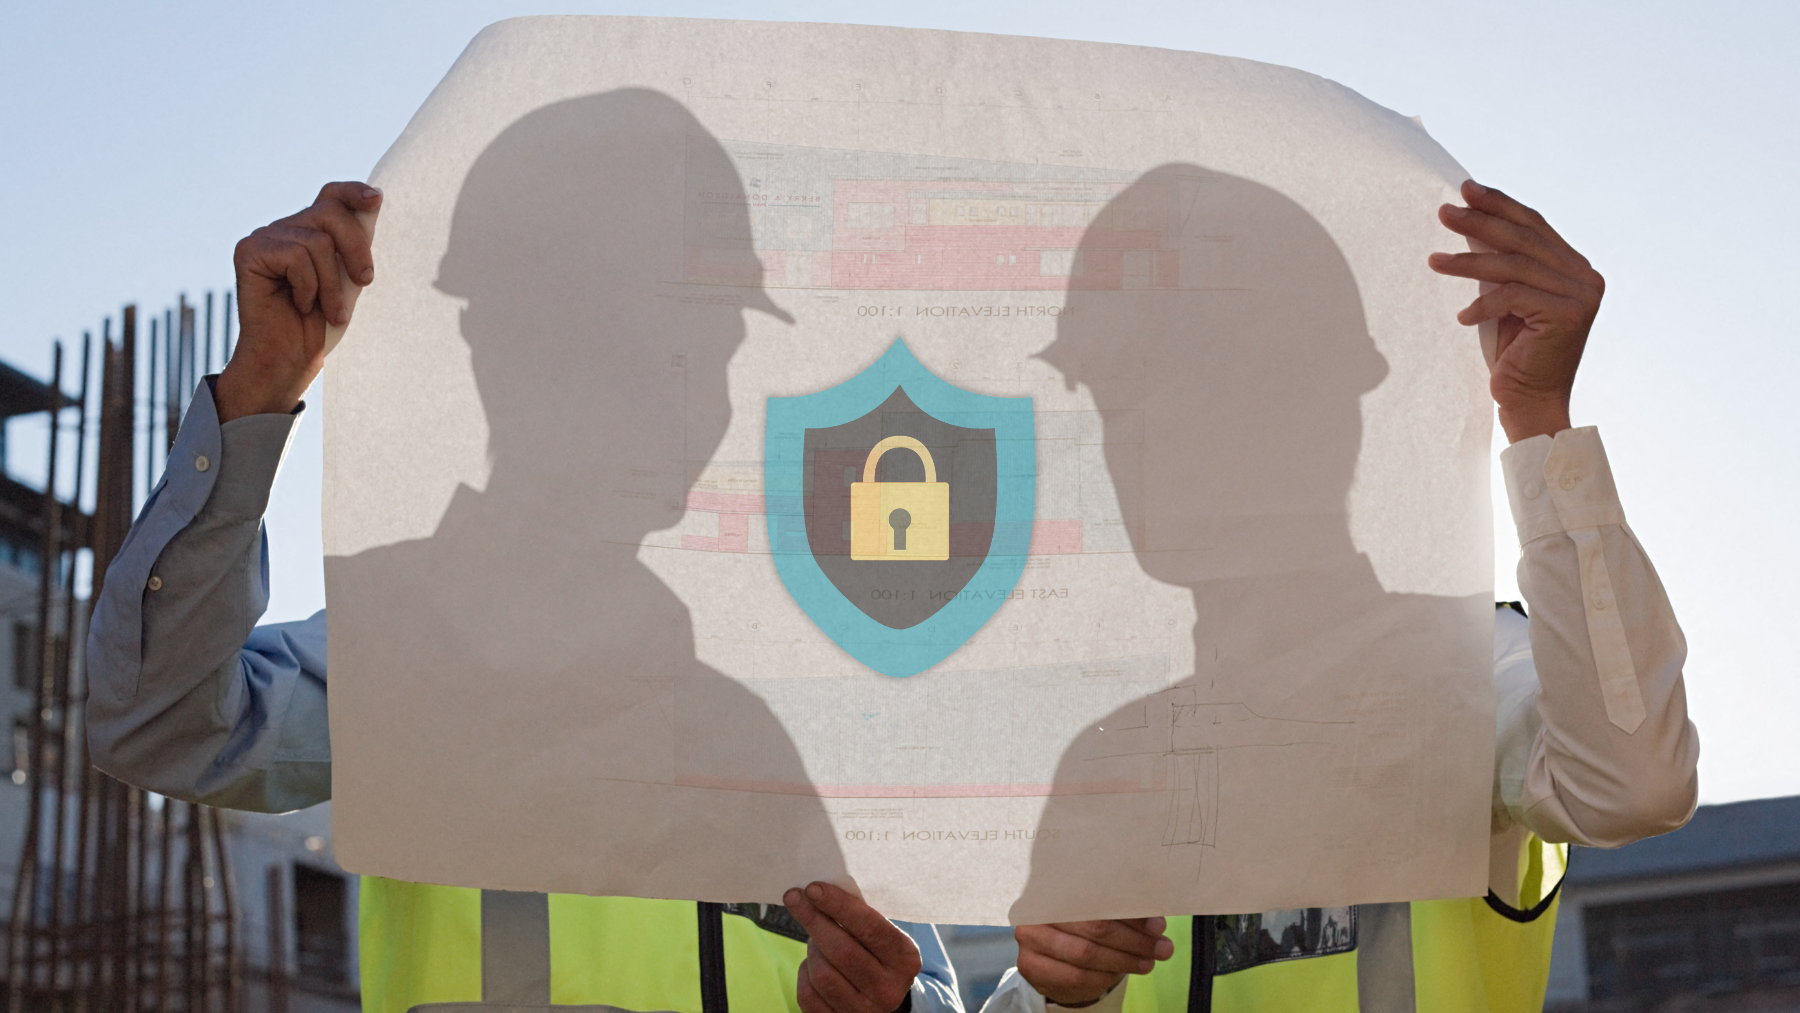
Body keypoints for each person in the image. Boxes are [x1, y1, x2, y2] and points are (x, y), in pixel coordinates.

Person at [84, 91, 961, 1013]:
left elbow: (932, 984)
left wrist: (895, 1005)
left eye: (715, 350)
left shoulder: (791, 694)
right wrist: (257, 394)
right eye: (660, 348)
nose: (701, 400)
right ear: (517, 348)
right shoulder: (426, 641)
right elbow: (159, 722)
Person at [982, 179, 1697, 1013]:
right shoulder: (1107, 754)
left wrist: (1540, 419)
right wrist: (1055, 989)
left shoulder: (1462, 672)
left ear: (1332, 403)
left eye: (1203, 387)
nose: (1149, 439)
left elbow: (1635, 784)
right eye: (1123, 400)